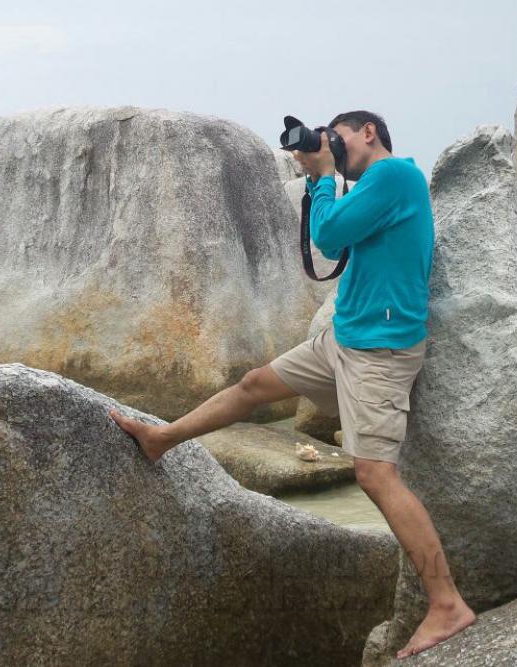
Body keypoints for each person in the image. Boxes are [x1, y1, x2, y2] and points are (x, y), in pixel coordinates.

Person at [108, 110, 475, 659]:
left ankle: (447, 603)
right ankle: (163, 438)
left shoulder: (395, 176)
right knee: (256, 383)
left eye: (340, 136)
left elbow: (328, 234)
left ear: (368, 133)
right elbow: (336, 234)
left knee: (374, 475)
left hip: (380, 351)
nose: (333, 145)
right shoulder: (373, 185)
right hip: (343, 340)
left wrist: (323, 174)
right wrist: (321, 176)